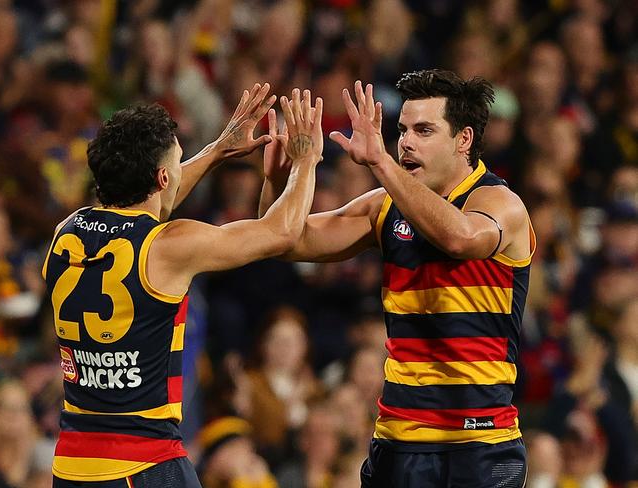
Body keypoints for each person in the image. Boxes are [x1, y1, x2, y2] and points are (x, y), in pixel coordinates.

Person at [260, 69, 535, 487]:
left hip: (480, 443)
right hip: (398, 442)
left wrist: (381, 163)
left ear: (463, 140)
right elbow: (282, 240)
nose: (405, 141)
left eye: (424, 130)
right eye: (402, 130)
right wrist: (286, 176)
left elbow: (459, 237)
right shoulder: (384, 208)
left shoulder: (500, 202)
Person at [43, 83, 324, 487]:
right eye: (178, 162)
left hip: (71, 465)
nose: (180, 169)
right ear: (161, 176)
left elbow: (149, 202)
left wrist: (217, 151)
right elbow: (280, 232)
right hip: (144, 466)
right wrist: (305, 160)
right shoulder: (169, 246)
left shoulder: (64, 233)